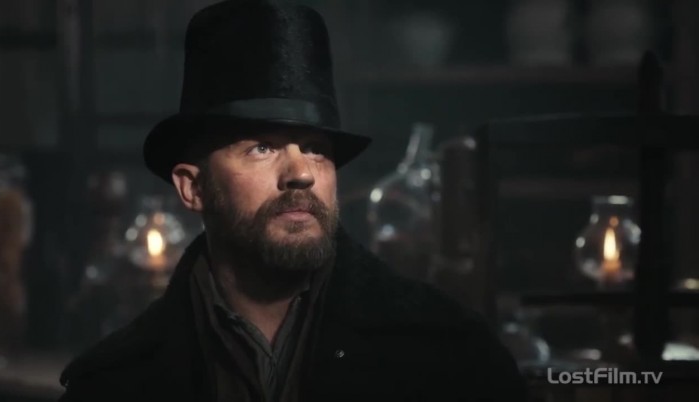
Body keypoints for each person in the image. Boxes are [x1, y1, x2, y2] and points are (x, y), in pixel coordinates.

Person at [59, 0, 527, 401]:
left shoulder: (449, 355)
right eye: (262, 147)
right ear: (192, 188)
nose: (302, 173)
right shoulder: (115, 384)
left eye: (316, 148)